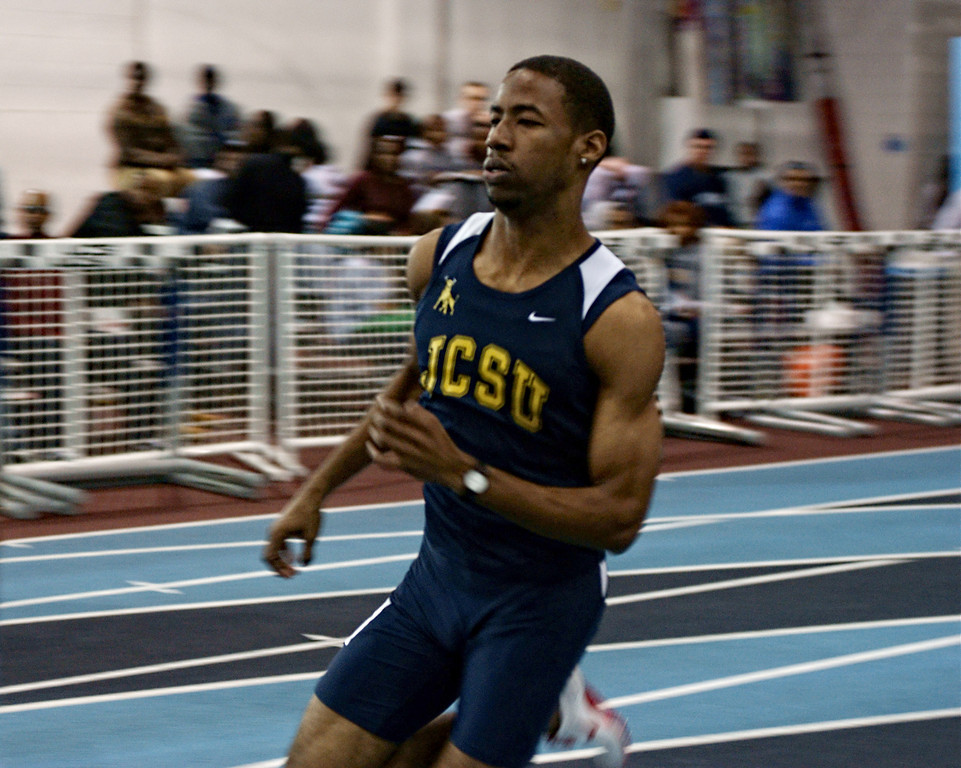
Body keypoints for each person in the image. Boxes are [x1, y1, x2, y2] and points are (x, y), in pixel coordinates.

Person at [262, 54, 664, 768]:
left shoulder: (614, 318)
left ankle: (555, 709)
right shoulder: (437, 258)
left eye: (526, 121)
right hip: (438, 578)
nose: (497, 138)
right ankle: (536, 712)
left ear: (587, 149)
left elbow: (620, 519)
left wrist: (463, 473)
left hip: (538, 601)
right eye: (495, 118)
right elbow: (407, 389)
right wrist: (313, 492)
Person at [106, 61, 193, 197]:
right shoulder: (120, 111)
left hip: (161, 166)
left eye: (141, 78)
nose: (137, 82)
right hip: (130, 168)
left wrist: (177, 156)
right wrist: (162, 160)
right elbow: (129, 152)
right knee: (159, 181)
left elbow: (170, 138)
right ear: (127, 79)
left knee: (193, 180)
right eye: (134, 77)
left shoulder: (157, 108)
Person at [323, 135, 418, 235]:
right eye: (383, 153)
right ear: (374, 155)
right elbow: (337, 210)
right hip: (361, 239)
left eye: (394, 154)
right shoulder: (362, 180)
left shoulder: (403, 186)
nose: (389, 158)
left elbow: (407, 220)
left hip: (390, 241)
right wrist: (365, 218)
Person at [224, 128, 308, 233]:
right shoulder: (296, 176)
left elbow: (234, 198)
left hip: (250, 231)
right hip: (284, 235)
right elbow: (300, 211)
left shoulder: (253, 163)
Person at [661, 127, 732, 226]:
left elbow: (724, 211)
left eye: (708, 147)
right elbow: (678, 213)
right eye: (698, 147)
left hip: (720, 232)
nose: (703, 151)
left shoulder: (718, 179)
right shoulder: (677, 177)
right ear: (689, 148)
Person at [66, 171, 170, 237]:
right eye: (140, 189)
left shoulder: (163, 214)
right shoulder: (107, 205)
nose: (142, 195)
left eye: (151, 191)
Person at [179, 64, 242, 170]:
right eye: (206, 80)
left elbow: (234, 132)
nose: (208, 83)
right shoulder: (193, 108)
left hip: (222, 159)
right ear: (200, 82)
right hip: (199, 160)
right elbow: (189, 137)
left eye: (211, 79)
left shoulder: (229, 107)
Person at [755, 161, 826, 231]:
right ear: (782, 181)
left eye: (804, 180)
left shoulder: (808, 204)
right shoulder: (776, 211)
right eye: (792, 179)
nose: (799, 184)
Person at [723, 140, 772, 228]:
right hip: (733, 221)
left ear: (756, 156)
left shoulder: (766, 177)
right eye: (743, 154)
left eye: (750, 154)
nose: (746, 157)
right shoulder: (728, 177)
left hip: (756, 222)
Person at [443, 81, 491, 163]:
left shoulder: (490, 121)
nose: (477, 103)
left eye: (482, 99)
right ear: (461, 99)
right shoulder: (447, 120)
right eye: (472, 98)